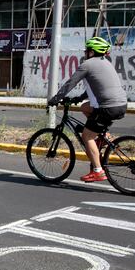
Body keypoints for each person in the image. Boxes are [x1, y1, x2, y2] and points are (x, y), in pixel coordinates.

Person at [47, 36, 127, 183]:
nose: (85, 52)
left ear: (91, 52)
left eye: (86, 50)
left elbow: (70, 83)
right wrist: (78, 98)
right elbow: (96, 86)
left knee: (87, 137)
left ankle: (98, 171)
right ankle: (104, 137)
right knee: (85, 107)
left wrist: (55, 99)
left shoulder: (87, 64)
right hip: (120, 105)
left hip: (106, 108)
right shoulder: (106, 63)